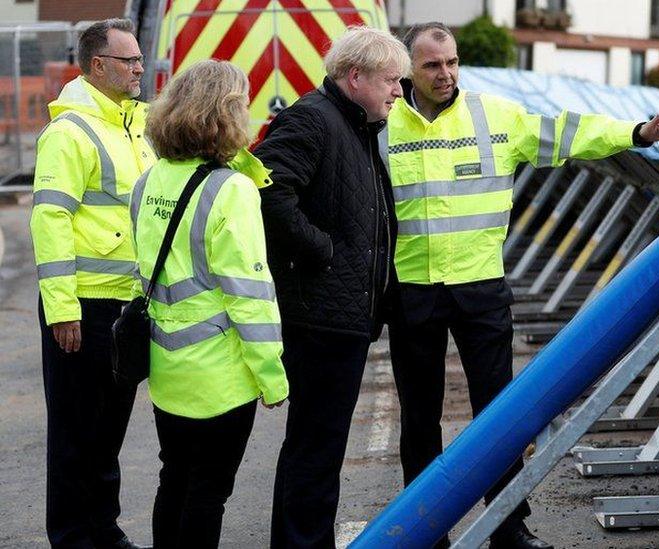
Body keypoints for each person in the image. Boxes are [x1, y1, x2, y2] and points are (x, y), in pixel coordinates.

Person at [383, 22, 659, 549]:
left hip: (480, 287)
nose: (446, 73)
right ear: (408, 68)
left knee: (501, 416)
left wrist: (637, 134)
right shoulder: (383, 126)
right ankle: (426, 530)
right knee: (419, 419)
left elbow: (568, 132)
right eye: (433, 65)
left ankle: (508, 527)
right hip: (412, 289)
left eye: (452, 62)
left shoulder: (493, 116)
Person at [253, 26, 410, 548]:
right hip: (318, 316)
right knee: (315, 448)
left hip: (339, 314)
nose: (397, 91)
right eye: (391, 80)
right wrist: (325, 253)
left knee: (318, 446)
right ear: (355, 76)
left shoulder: (355, 125)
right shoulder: (313, 120)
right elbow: (270, 196)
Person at [133, 59, 289, 548]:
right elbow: (250, 296)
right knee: (207, 493)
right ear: (227, 114)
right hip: (220, 375)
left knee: (173, 479)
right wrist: (272, 376)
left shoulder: (148, 181)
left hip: (168, 369)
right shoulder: (233, 190)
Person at [29, 18, 155, 549]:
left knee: (107, 432)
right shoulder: (69, 132)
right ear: (98, 65)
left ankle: (102, 529)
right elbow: (50, 220)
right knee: (77, 433)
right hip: (81, 304)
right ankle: (75, 537)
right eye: (130, 61)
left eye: (139, 60)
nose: (140, 68)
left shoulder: (133, 126)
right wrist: (62, 309)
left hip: (124, 305)